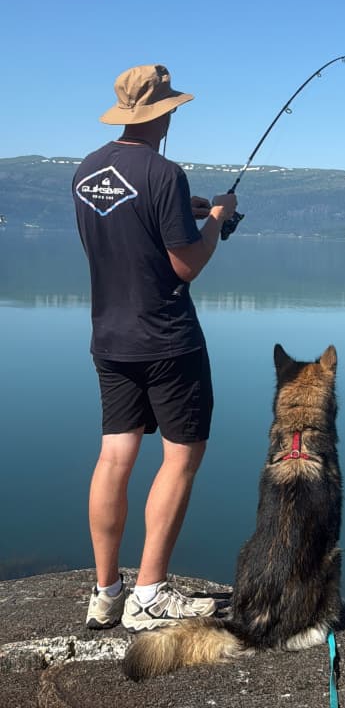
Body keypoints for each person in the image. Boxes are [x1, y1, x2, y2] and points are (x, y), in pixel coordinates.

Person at [72, 64, 237, 632]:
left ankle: (105, 593)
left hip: (109, 338)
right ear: (161, 112)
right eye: (171, 109)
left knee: (114, 457)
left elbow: (124, 227)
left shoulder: (86, 173)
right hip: (167, 338)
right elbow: (184, 264)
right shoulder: (164, 172)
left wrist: (183, 211)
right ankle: (149, 593)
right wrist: (215, 219)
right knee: (180, 459)